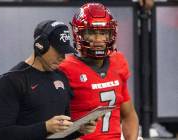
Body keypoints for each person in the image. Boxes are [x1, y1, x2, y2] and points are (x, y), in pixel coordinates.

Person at [0, 20, 96, 140]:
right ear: (41, 45)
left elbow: (61, 132)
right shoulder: (11, 80)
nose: (62, 57)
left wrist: (79, 130)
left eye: (65, 52)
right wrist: (45, 127)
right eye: (59, 51)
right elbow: (3, 133)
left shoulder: (61, 77)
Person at [59, 3, 139, 140]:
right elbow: (56, 125)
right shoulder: (65, 68)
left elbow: (129, 115)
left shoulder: (118, 61)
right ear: (78, 34)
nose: (98, 40)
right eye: (91, 33)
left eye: (103, 33)